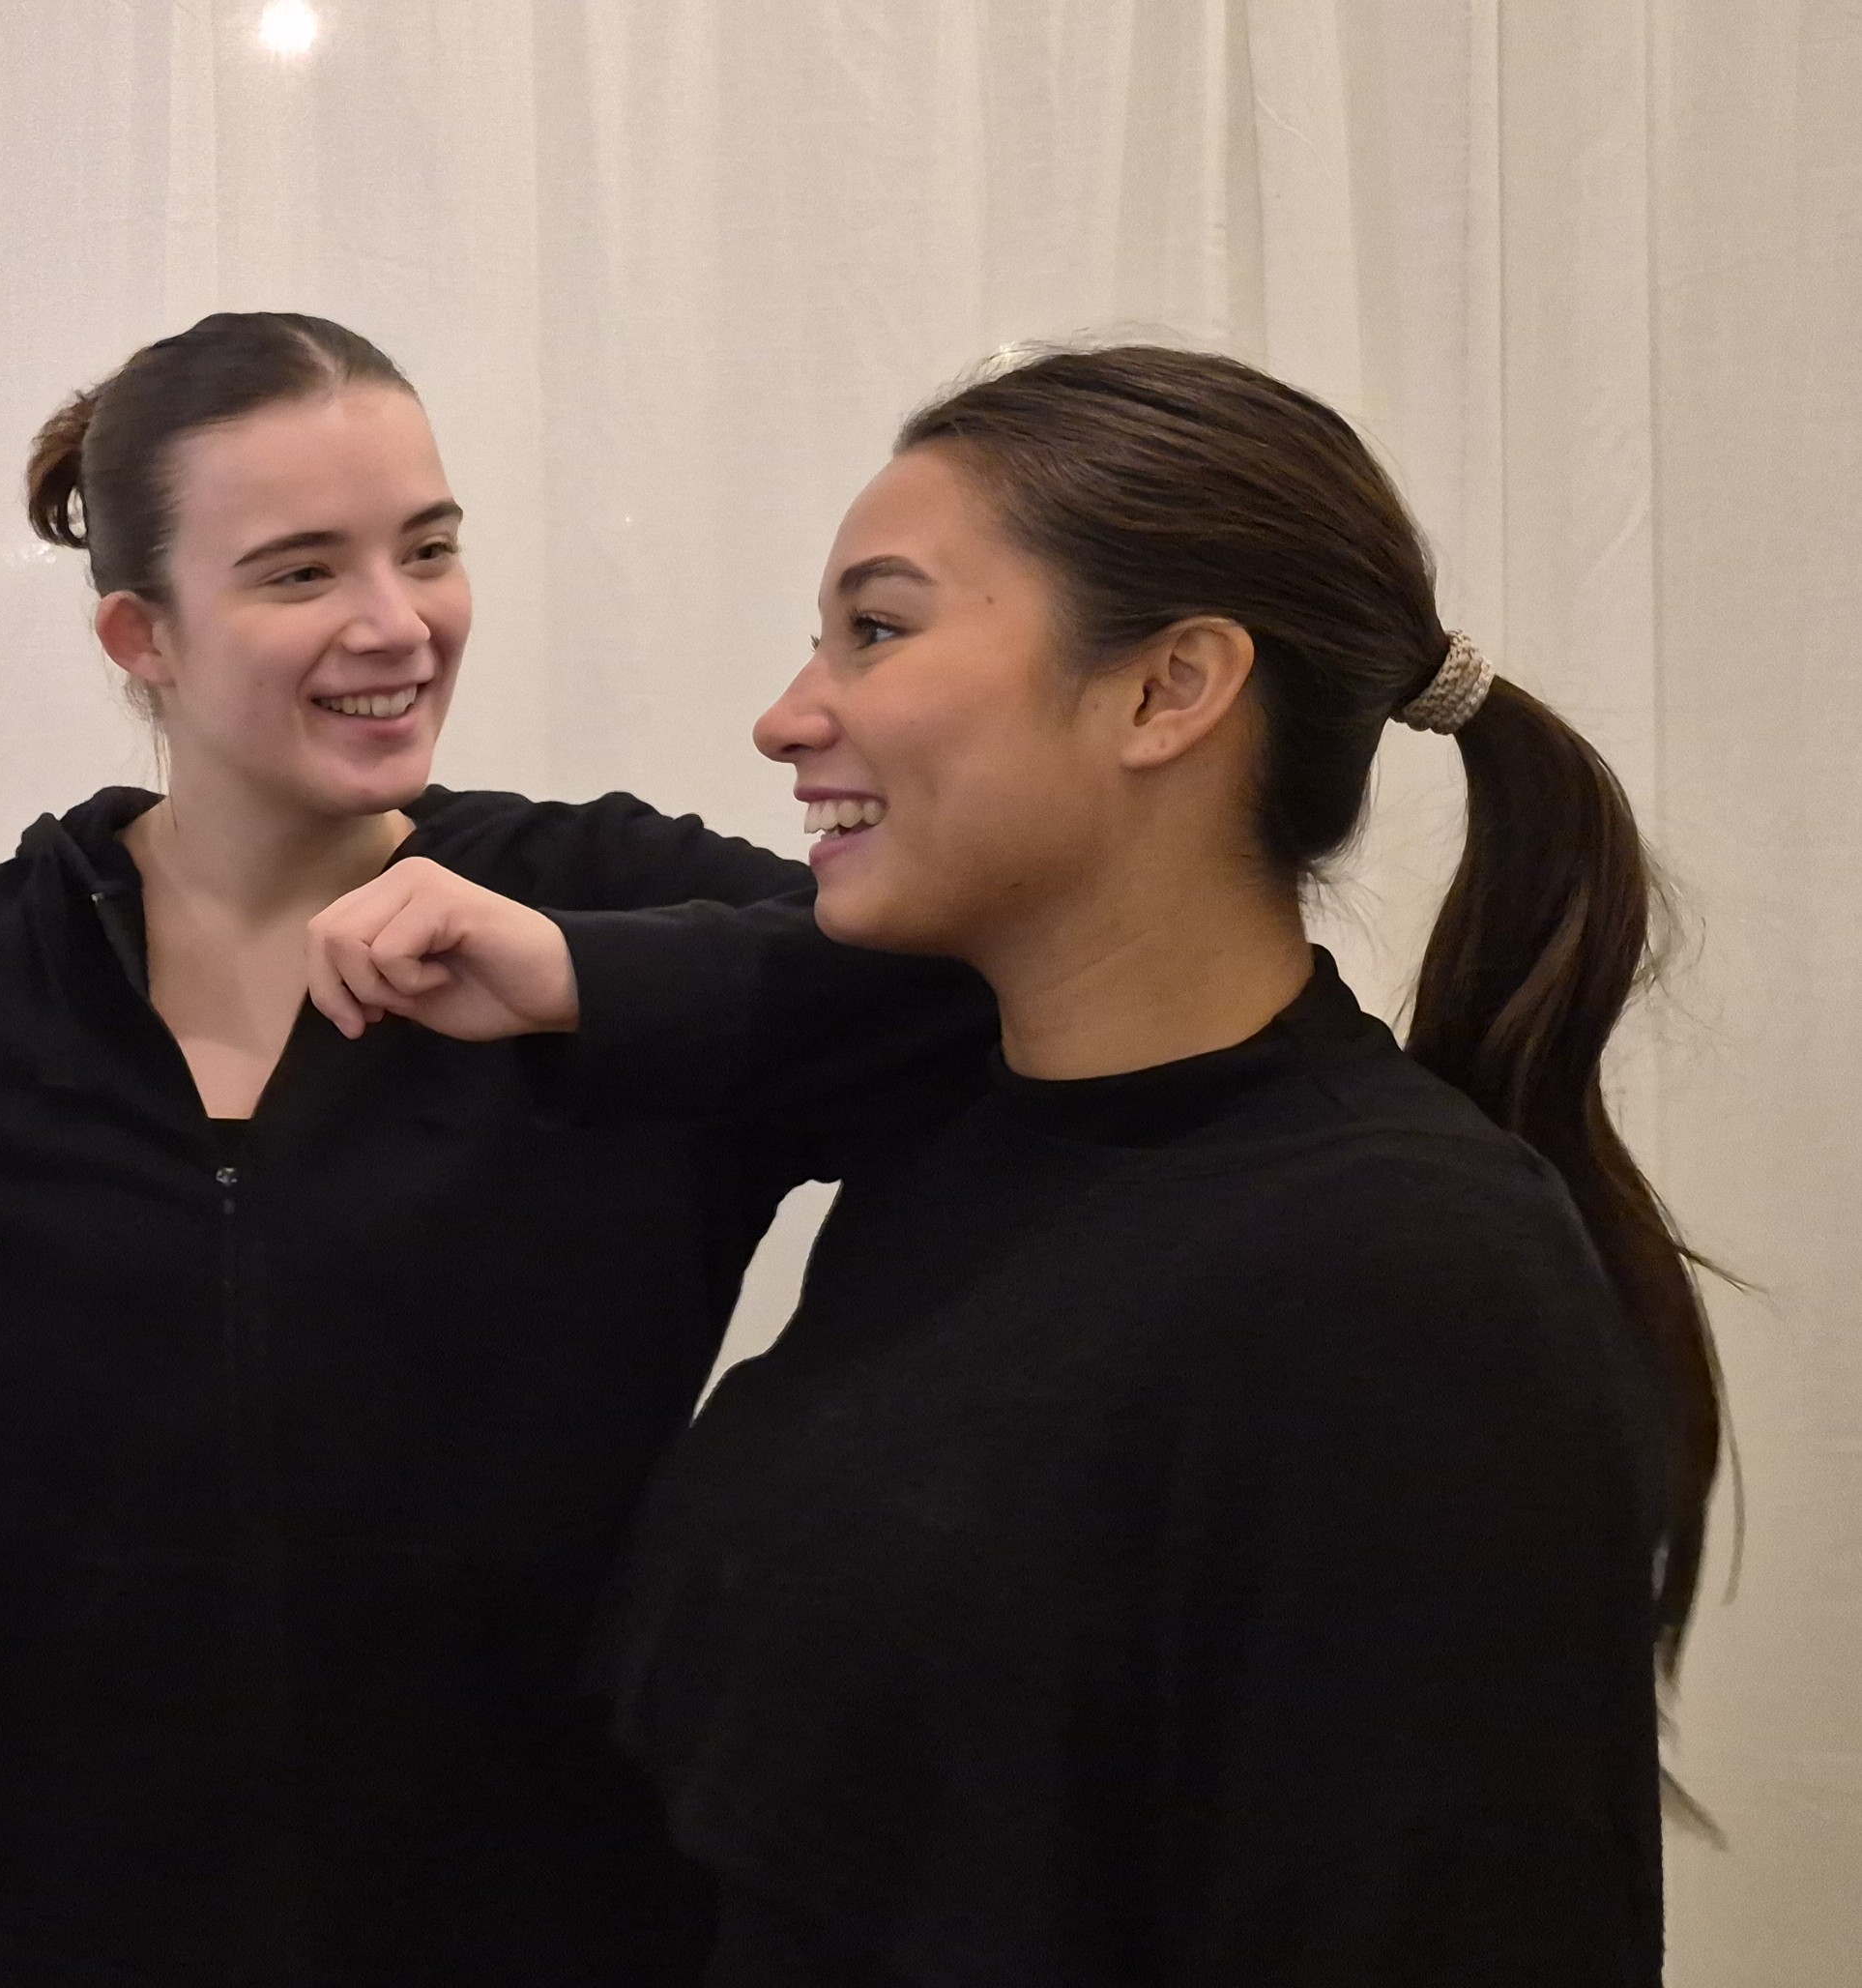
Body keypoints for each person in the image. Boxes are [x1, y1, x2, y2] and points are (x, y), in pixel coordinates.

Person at [0, 311, 992, 1985]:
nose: (397, 622)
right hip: (40, 1938)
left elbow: (973, 1007)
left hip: (564, 1932)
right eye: (302, 572)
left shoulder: (604, 905)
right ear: (143, 633)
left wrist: (574, 978)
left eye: (429, 549)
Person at [305, 344, 1718, 1983]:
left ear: (1168, 690)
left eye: (878, 630)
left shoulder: (1404, 1275)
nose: (787, 718)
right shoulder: (972, 1136)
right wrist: (577, 975)